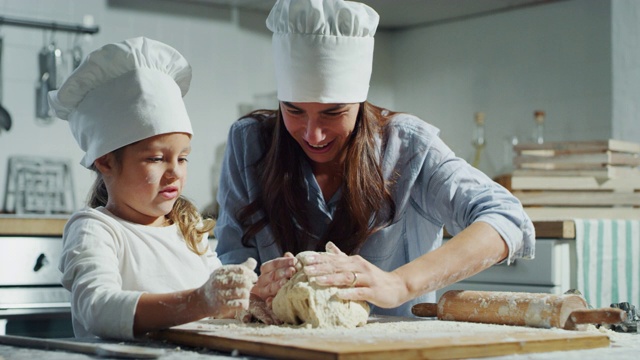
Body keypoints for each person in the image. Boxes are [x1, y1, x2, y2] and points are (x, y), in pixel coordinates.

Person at [214, 0, 536, 319]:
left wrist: (398, 283)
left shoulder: (408, 149)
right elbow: (232, 268)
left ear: (359, 102)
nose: (313, 134)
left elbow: (506, 217)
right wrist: (252, 291)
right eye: (294, 111)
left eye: (333, 113)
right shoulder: (249, 145)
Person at [50, 37, 275, 339]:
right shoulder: (96, 229)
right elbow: (98, 308)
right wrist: (199, 301)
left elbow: (219, 303)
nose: (174, 172)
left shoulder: (189, 226)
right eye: (156, 158)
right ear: (105, 162)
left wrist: (256, 292)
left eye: (182, 158)